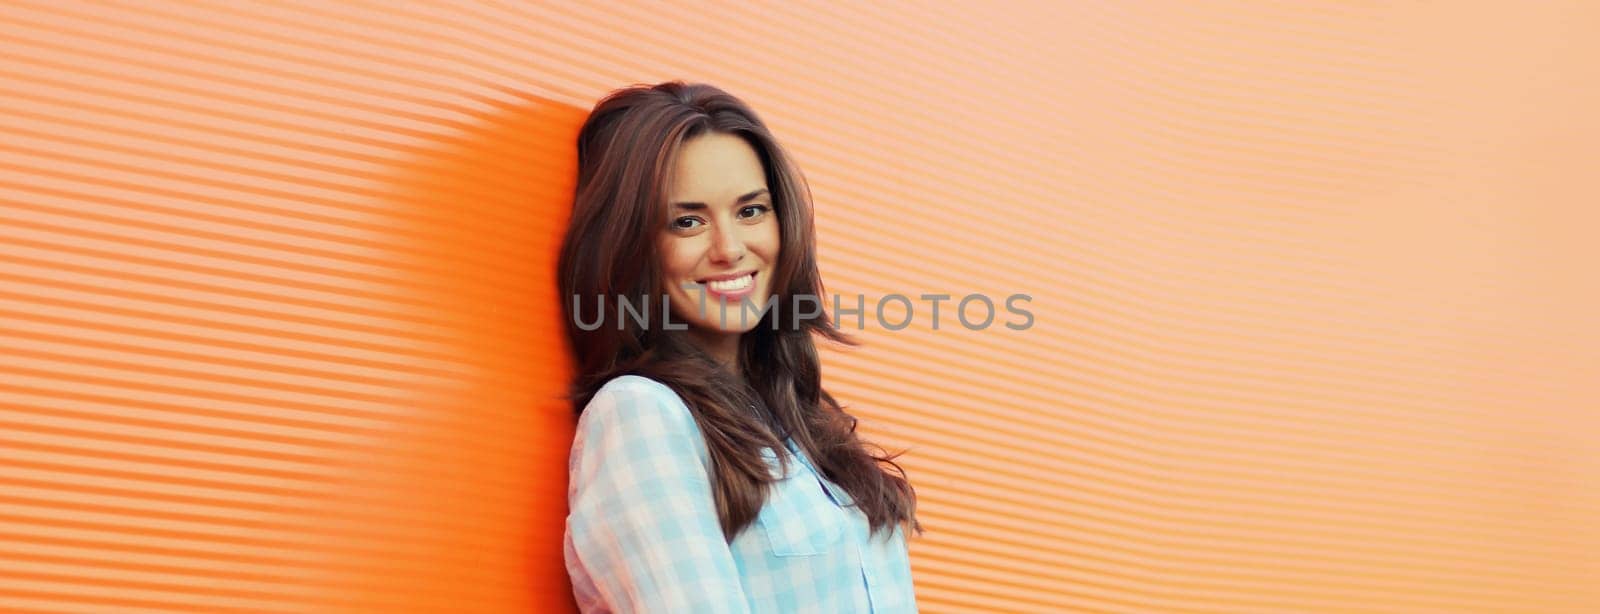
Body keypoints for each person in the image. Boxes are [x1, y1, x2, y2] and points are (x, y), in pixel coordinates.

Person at [558, 81, 922, 613]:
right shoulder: (641, 415)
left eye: (750, 211)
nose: (730, 249)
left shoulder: (799, 421)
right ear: (630, 245)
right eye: (688, 222)